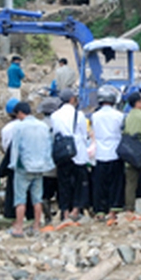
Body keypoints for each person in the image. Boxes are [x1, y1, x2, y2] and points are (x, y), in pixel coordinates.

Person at [9, 101, 55, 236]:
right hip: (40, 166)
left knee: (20, 199)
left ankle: (19, 228)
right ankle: (36, 226)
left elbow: (16, 148)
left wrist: (13, 165)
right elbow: (48, 145)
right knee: (37, 198)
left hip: (24, 167)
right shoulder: (43, 126)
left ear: (20, 113)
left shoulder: (19, 127)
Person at [50, 89, 90, 221]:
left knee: (63, 183)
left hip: (62, 153)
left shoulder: (55, 115)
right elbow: (84, 134)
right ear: (72, 99)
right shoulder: (79, 115)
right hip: (77, 152)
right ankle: (76, 210)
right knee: (79, 183)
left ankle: (64, 211)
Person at [90, 85, 124, 219]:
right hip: (115, 151)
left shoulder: (95, 116)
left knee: (100, 184)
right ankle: (113, 209)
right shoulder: (119, 116)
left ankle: (100, 210)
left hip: (100, 153)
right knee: (115, 183)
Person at [0, 98, 23, 220]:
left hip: (12, 163)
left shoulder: (6, 129)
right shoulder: (26, 125)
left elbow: (5, 147)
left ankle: (11, 218)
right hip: (28, 163)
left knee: (12, 193)